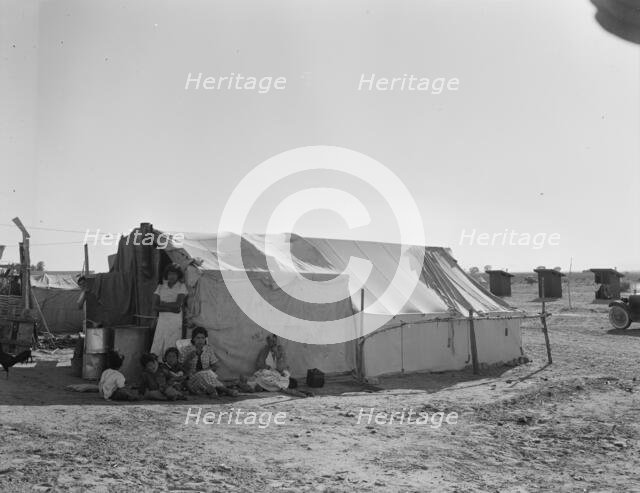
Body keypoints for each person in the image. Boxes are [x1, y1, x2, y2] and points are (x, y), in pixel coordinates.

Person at [240, 335, 311, 397]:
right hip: (267, 372)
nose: (272, 343)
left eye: (274, 341)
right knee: (264, 374)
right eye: (270, 341)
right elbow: (258, 365)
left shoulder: (281, 350)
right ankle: (252, 383)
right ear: (268, 342)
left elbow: (281, 368)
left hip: (278, 374)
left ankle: (255, 384)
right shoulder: (265, 350)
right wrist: (266, 367)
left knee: (283, 379)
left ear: (276, 341)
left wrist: (277, 354)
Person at [182, 327, 238, 398]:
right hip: (192, 378)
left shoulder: (208, 349)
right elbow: (181, 367)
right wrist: (188, 358)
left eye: (203, 338)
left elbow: (216, 365)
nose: (200, 340)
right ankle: (226, 390)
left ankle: (215, 391)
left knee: (205, 374)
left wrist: (205, 370)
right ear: (193, 339)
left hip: (206, 375)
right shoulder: (186, 350)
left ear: (205, 339)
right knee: (203, 375)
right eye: (198, 338)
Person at [150, 264, 188, 357]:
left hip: (175, 321)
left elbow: (178, 305)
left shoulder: (181, 286)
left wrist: (163, 304)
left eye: (174, 274)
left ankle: (171, 365)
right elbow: (154, 306)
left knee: (172, 343)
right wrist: (171, 308)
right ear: (166, 275)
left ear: (178, 275)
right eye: (170, 274)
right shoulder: (161, 286)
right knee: (159, 342)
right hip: (162, 320)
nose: (172, 276)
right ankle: (156, 365)